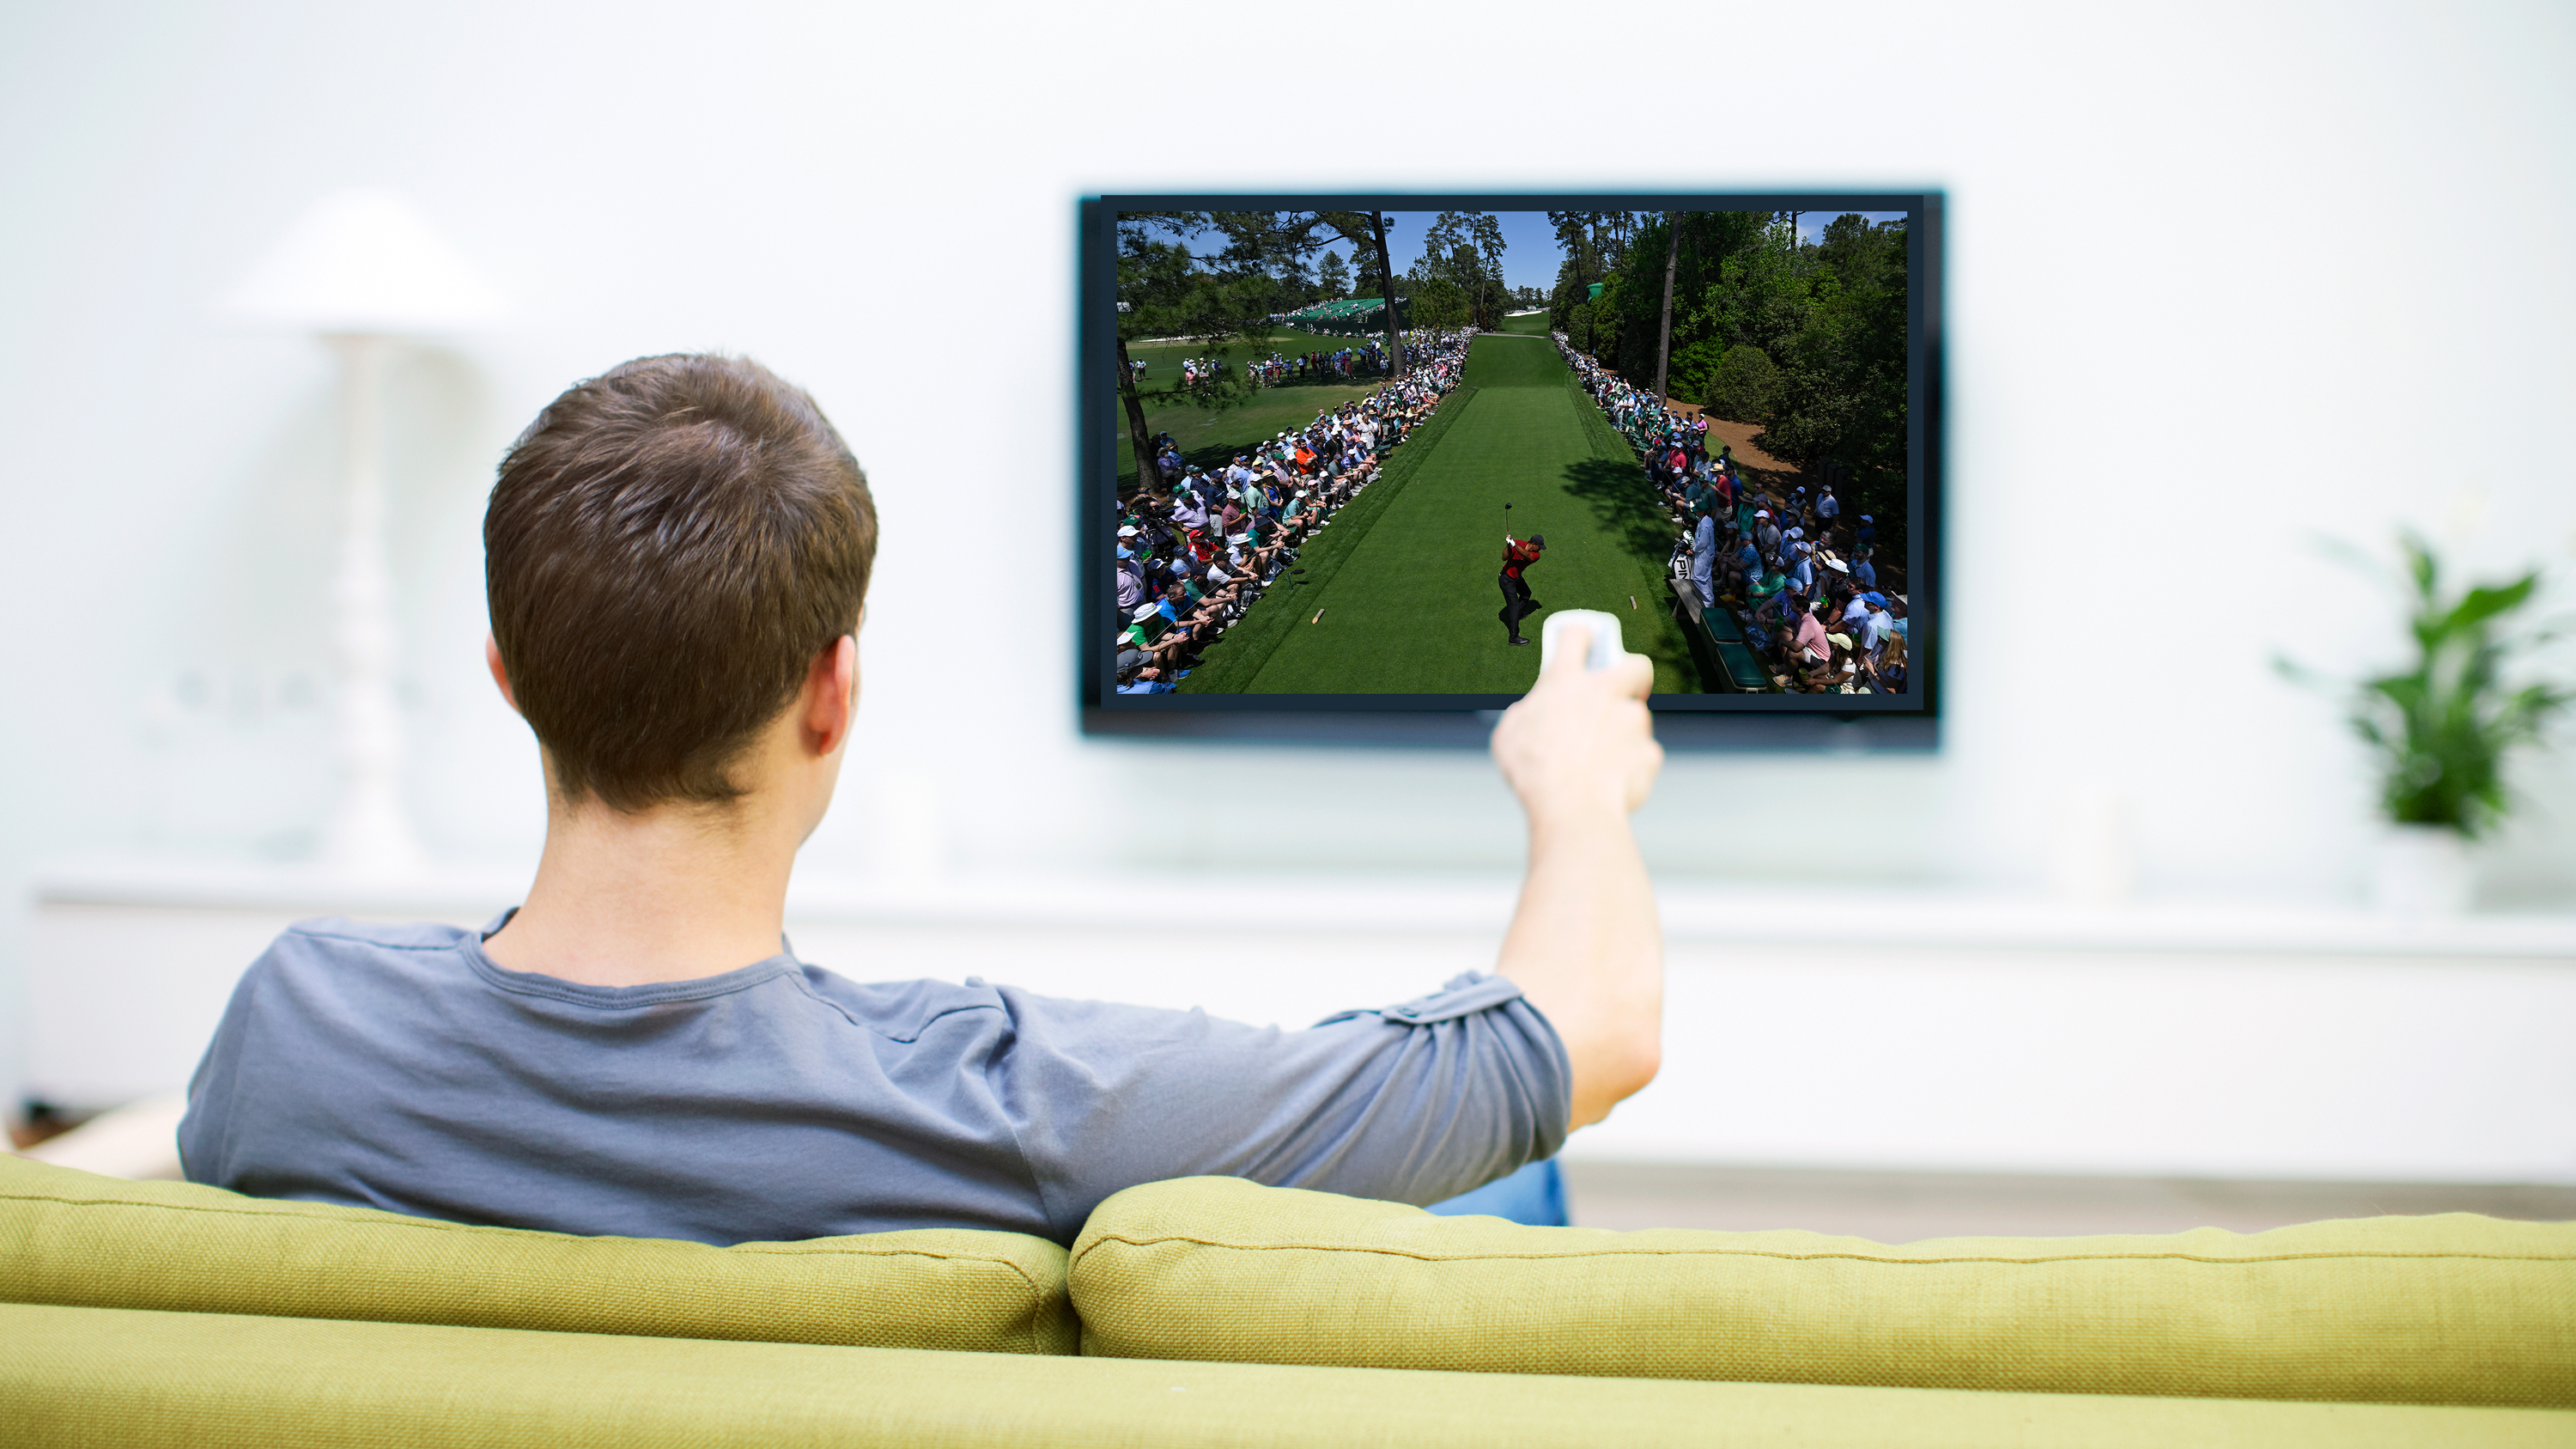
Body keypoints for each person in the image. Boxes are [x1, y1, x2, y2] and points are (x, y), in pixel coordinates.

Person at [179, 354, 1666, 1249]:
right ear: (835, 692)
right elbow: (1584, 1042)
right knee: (1507, 1196)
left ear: (508, 677)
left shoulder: (292, 1028)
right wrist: (1578, 789)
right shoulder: (1004, 1096)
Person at [1498, 532, 1546, 645]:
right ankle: (1513, 638)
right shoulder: (1518, 544)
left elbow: (1527, 555)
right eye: (1539, 547)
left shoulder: (1536, 555)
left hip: (1516, 578)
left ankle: (1518, 614)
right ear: (1533, 544)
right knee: (1514, 608)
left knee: (1526, 593)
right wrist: (1508, 546)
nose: (1540, 550)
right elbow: (1503, 558)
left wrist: (1514, 545)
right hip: (1506, 579)